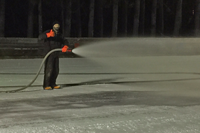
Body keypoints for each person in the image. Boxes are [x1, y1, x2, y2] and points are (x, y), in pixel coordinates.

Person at [38, 21, 70, 90]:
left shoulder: (59, 35)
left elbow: (64, 41)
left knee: (56, 70)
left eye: (58, 25)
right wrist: (47, 35)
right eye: (55, 25)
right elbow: (40, 37)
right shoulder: (48, 32)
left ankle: (53, 83)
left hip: (56, 53)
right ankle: (46, 85)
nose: (57, 27)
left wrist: (65, 46)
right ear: (53, 26)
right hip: (49, 53)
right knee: (49, 69)